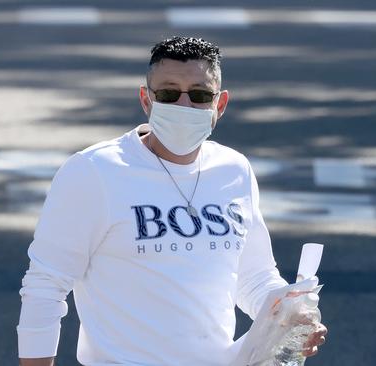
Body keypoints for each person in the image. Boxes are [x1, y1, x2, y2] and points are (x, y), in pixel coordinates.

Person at [17, 36, 327, 366]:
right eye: (168, 93)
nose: (183, 106)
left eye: (199, 95)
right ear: (146, 100)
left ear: (219, 105)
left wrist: (290, 317)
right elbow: (46, 286)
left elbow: (253, 277)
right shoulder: (95, 172)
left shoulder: (234, 170)